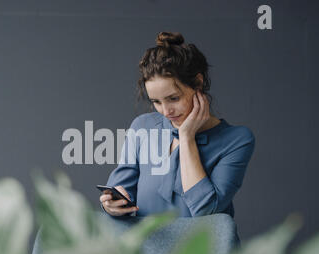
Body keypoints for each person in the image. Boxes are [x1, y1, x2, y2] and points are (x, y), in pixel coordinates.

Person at [99, 31, 255, 218]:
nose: (166, 111)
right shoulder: (142, 127)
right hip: (147, 245)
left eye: (173, 98)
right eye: (156, 102)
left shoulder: (236, 140)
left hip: (201, 247)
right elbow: (121, 192)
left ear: (198, 83)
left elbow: (205, 210)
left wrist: (187, 137)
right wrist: (112, 204)